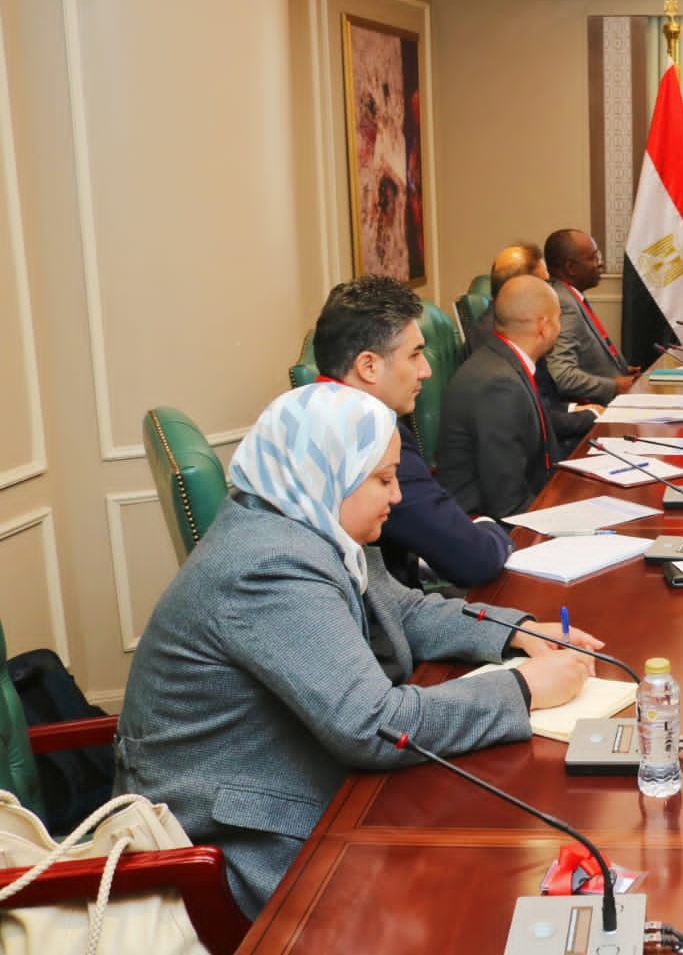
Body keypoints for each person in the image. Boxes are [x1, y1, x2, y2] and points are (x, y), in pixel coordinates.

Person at [114, 383, 599, 918]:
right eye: (384, 479)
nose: (398, 496)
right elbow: (372, 726)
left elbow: (404, 611)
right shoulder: (268, 564)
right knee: (471, 895)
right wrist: (523, 688)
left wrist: (518, 632)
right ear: (329, 472)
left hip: (305, 776)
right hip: (238, 841)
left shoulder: (309, 516)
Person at [313, 275, 511, 588]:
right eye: (415, 355)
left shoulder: (308, 416)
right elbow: (474, 560)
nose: (426, 371)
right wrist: (492, 527)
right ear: (368, 366)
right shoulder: (370, 437)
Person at [437, 275, 564, 519]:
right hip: (488, 528)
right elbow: (507, 504)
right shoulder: (499, 385)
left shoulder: (502, 362)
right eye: (559, 318)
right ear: (544, 326)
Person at [468, 241, 596, 458]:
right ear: (523, 287)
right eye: (545, 283)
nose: (551, 291)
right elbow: (532, 417)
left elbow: (540, 399)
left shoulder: (512, 326)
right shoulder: (498, 337)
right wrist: (590, 416)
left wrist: (574, 409)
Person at [545, 228, 638, 404]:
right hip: (598, 408)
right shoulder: (563, 303)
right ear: (570, 268)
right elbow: (563, 374)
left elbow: (586, 354)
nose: (600, 263)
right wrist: (614, 385)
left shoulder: (570, 295)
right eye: (593, 258)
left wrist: (620, 369)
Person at [465, 241, 548, 353]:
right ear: (520, 289)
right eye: (544, 284)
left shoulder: (518, 324)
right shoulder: (494, 337)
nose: (550, 293)